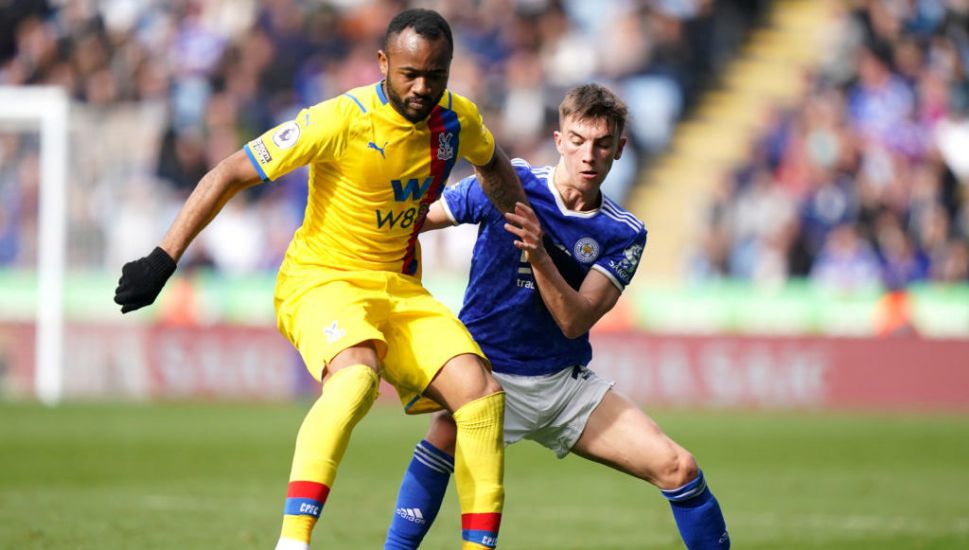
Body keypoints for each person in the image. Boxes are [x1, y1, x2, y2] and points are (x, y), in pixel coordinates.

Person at [113, 9, 528, 550]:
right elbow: (231, 171)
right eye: (410, 74)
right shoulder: (339, 118)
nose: (423, 87)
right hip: (322, 281)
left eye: (437, 74)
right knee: (355, 379)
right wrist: (163, 259)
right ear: (383, 63)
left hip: (398, 288)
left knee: (481, 396)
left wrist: (524, 223)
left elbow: (493, 162)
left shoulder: (457, 119)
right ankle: (293, 541)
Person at [384, 84, 730, 549]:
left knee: (678, 468)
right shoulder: (509, 183)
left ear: (619, 150)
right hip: (487, 377)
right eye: (579, 140)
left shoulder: (622, 232)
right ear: (560, 139)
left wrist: (539, 251)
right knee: (444, 432)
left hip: (563, 388)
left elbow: (575, 320)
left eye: (603, 144)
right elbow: (419, 219)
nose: (589, 155)